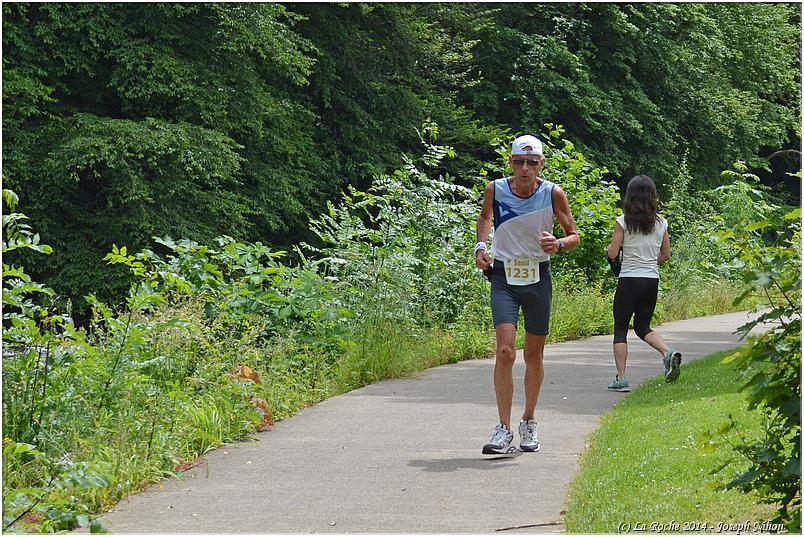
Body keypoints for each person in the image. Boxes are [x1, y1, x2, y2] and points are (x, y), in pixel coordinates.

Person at [474, 134, 579, 454]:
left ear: (541, 165)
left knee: (534, 355)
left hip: (537, 277)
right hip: (504, 275)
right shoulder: (495, 189)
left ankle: (529, 421)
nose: (524, 169)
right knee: (505, 351)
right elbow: (485, 218)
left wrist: (558, 244)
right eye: (519, 161)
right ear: (510, 162)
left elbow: (574, 235)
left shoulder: (552, 194)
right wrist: (481, 246)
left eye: (532, 163)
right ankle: (503, 429)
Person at [605, 175, 682, 393]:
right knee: (642, 326)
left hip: (629, 279)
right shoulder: (662, 223)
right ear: (652, 197)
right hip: (651, 280)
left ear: (630, 196)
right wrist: (649, 261)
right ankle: (667, 352)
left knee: (621, 328)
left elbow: (612, 252)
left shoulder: (623, 222)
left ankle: (621, 378)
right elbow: (666, 255)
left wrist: (616, 257)